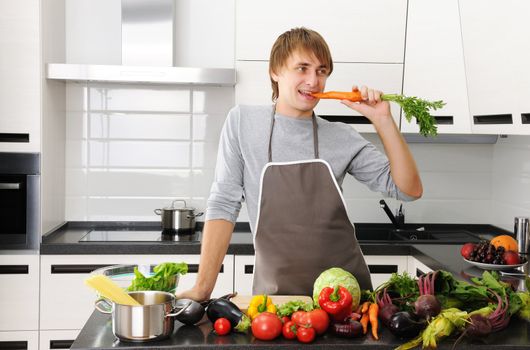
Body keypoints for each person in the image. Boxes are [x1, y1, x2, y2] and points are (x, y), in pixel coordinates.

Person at [176, 27, 422, 300]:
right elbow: (224, 202)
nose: (313, 81)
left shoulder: (341, 136)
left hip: (345, 301)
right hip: (276, 300)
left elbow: (408, 190)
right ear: (275, 71)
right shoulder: (242, 123)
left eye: (321, 71)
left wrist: (383, 121)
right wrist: (202, 288)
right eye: (302, 68)